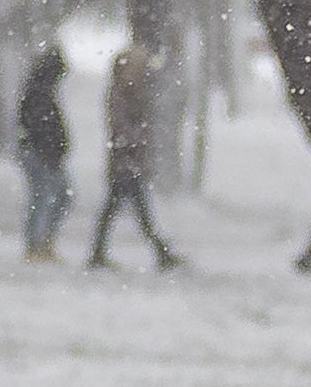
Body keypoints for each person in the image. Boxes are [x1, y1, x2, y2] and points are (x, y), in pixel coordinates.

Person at [90, 41, 187, 270]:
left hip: (128, 161)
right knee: (136, 212)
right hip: (126, 162)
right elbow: (121, 127)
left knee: (117, 210)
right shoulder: (122, 94)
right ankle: (160, 253)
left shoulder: (133, 92)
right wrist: (134, 144)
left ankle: (100, 252)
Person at [15, 41, 72, 260]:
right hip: (41, 153)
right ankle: (37, 244)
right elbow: (40, 126)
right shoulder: (40, 94)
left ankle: (40, 242)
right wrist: (51, 149)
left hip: (42, 153)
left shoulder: (39, 91)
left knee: (49, 196)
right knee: (46, 196)